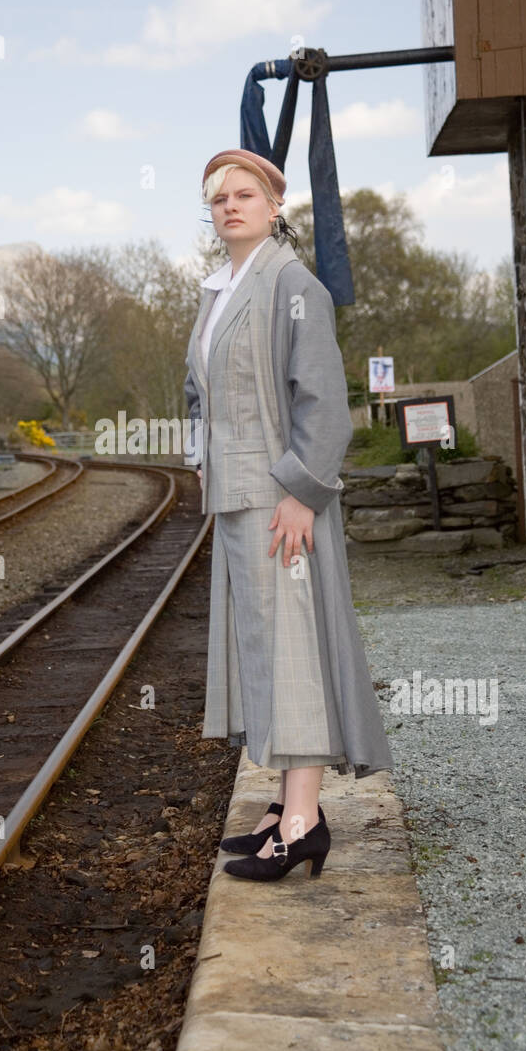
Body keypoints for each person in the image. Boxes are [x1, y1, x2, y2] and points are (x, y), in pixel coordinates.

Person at [183, 148, 393, 882]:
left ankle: (303, 821)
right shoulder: (218, 291)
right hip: (237, 499)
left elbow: (325, 404)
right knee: (266, 652)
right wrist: (197, 454)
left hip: (281, 502)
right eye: (218, 200)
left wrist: (303, 492)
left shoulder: (295, 285)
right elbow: (197, 392)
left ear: (274, 208)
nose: (231, 207)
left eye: (245, 195)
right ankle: (284, 808)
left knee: (295, 651)